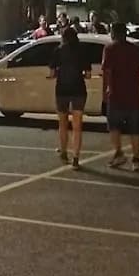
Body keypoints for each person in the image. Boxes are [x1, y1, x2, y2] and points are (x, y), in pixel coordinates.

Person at [101, 22, 139, 172]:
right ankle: (136, 159)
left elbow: (107, 71)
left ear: (114, 33)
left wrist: (106, 91)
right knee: (135, 129)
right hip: (134, 93)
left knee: (114, 126)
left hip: (116, 94)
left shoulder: (109, 49)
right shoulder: (135, 50)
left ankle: (119, 153)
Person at [53, 25, 91, 169]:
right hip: (78, 89)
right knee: (77, 125)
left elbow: (51, 73)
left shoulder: (58, 51)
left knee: (62, 124)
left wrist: (59, 73)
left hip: (62, 89)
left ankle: (64, 152)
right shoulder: (82, 51)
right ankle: (76, 157)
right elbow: (87, 74)